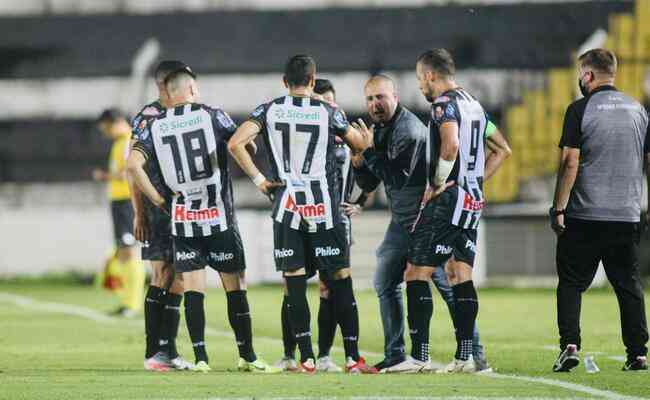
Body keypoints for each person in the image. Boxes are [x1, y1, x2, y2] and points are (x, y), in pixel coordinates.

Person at [228, 55, 377, 374]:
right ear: (313, 81)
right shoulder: (329, 111)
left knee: (293, 282)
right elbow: (356, 145)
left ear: (285, 82)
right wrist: (364, 142)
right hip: (324, 206)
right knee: (339, 279)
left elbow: (236, 143)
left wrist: (260, 181)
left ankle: (306, 358)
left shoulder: (268, 109)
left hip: (287, 205)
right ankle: (352, 358)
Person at [127, 67, 279, 373]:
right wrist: (260, 178)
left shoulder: (151, 125)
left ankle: (199, 359)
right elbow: (241, 143)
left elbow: (132, 164)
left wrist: (156, 201)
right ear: (191, 88)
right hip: (217, 215)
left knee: (189, 285)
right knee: (234, 285)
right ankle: (246, 355)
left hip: (180, 216)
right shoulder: (212, 115)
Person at [353, 75, 508, 372]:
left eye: (380, 97)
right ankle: (397, 355)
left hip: (427, 216)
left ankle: (473, 355)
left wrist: (369, 152)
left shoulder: (411, 129)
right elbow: (374, 179)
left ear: (395, 96)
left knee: (447, 283)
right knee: (386, 281)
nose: (375, 104)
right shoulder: (379, 130)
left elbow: (398, 178)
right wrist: (360, 160)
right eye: (370, 99)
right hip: (403, 221)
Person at [407, 48, 510, 373]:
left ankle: (419, 357)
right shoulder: (474, 105)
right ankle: (465, 358)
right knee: (459, 274)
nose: (420, 86)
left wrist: (437, 183)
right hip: (471, 200)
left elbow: (450, 144)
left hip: (447, 200)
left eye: (419, 79)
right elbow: (502, 149)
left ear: (429, 76)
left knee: (415, 272)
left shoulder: (443, 105)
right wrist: (474, 182)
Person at [550, 48, 648, 372]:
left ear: (588, 75)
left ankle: (570, 345)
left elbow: (569, 161)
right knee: (628, 284)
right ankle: (638, 353)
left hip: (584, 216)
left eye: (581, 74)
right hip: (626, 215)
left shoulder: (580, 109)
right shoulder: (638, 110)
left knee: (571, 283)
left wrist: (558, 207)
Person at [275, 78, 365, 373]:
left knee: (331, 287)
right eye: (321, 99)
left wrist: (361, 200)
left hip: (333, 219)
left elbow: (366, 168)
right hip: (301, 215)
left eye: (330, 100)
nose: (326, 104)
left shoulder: (342, 130)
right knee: (293, 286)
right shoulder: (303, 130)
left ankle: (325, 355)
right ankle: (291, 354)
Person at [129, 61, 192, 371]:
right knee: (163, 274)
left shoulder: (187, 114)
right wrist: (140, 213)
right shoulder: (147, 118)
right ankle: (154, 352)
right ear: (165, 85)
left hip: (186, 208)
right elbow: (132, 170)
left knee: (180, 276)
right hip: (159, 210)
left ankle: (167, 351)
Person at [94, 108, 146, 318]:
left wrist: (106, 176)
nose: (105, 133)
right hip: (119, 201)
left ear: (115, 122)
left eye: (106, 128)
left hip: (126, 200)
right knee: (123, 250)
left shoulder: (127, 141)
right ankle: (126, 301)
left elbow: (130, 170)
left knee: (128, 250)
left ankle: (132, 304)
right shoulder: (119, 142)